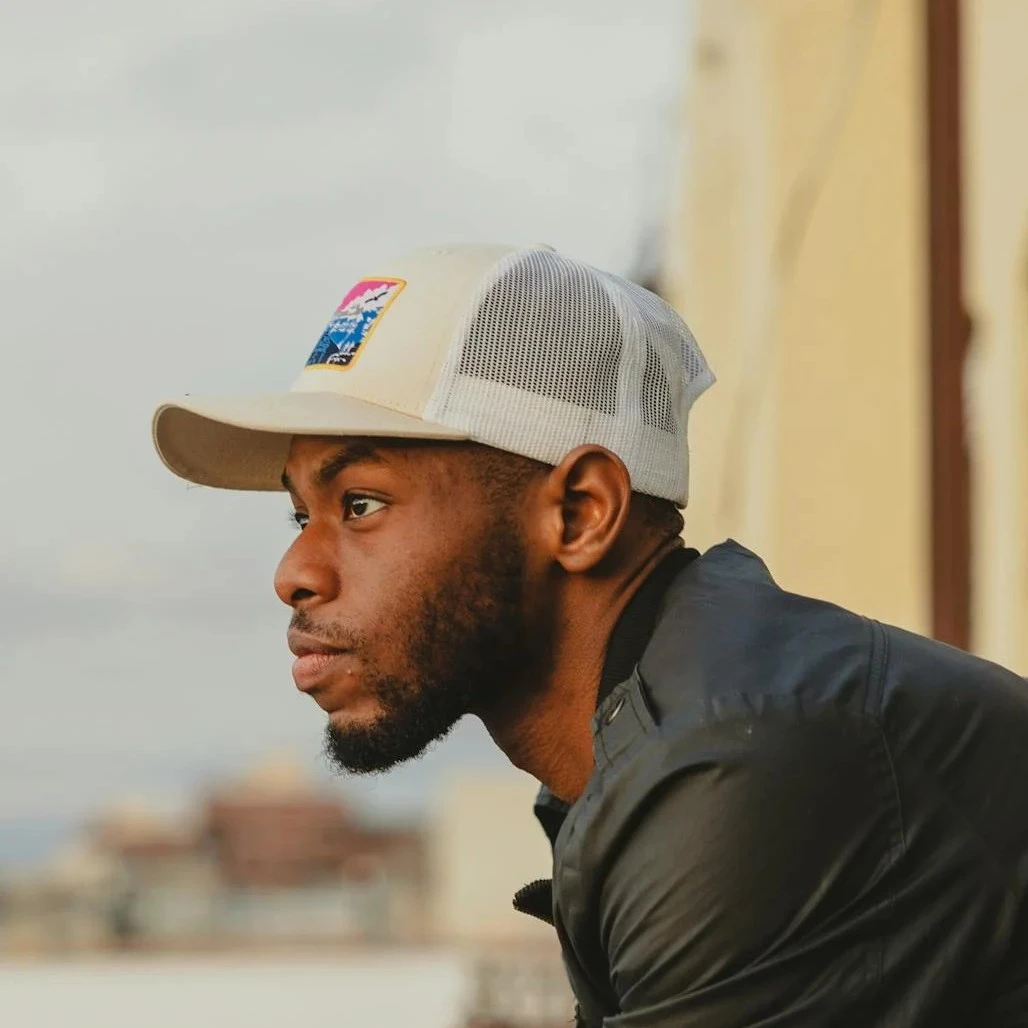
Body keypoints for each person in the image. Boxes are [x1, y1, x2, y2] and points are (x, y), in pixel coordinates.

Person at [152, 243, 1028, 1026]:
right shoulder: (658, 730)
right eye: (299, 514)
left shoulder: (738, 753)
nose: (295, 572)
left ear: (580, 512)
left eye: (362, 505)